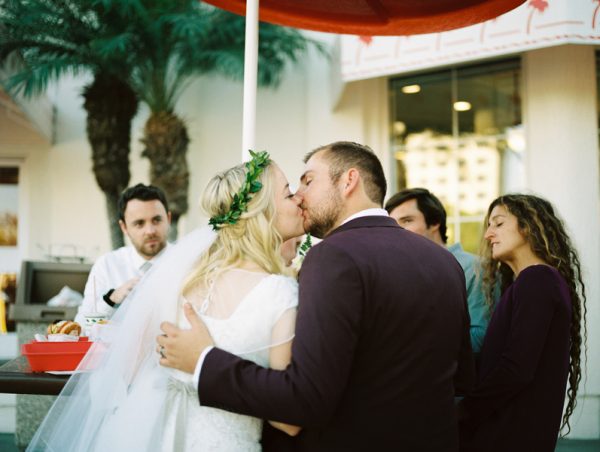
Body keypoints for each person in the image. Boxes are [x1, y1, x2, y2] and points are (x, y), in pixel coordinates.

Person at [158, 141, 475, 451]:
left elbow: (305, 399)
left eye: (308, 181)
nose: (299, 194)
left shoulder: (333, 257)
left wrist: (204, 362)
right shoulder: (445, 262)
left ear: (349, 181)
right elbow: (462, 378)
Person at [27, 151, 305, 451]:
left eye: (157, 220)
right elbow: (288, 418)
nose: (299, 199)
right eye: (289, 193)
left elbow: (132, 366)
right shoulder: (280, 293)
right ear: (261, 212)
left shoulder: (182, 277)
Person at [457, 194, 587, 452]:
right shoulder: (533, 282)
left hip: (510, 434)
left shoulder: (537, 280)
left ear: (527, 226)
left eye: (499, 223)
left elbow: (517, 367)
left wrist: (463, 412)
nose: (488, 235)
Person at [385, 188, 489, 354]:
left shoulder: (473, 267)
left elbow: (480, 338)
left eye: (406, 221)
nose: (397, 230)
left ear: (434, 222)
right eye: (393, 224)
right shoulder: (398, 273)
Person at [74, 183, 171, 324]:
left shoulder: (191, 263)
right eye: (139, 223)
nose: (150, 230)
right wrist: (111, 300)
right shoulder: (107, 266)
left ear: (168, 219)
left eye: (157, 220)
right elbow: (82, 327)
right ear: (124, 227)